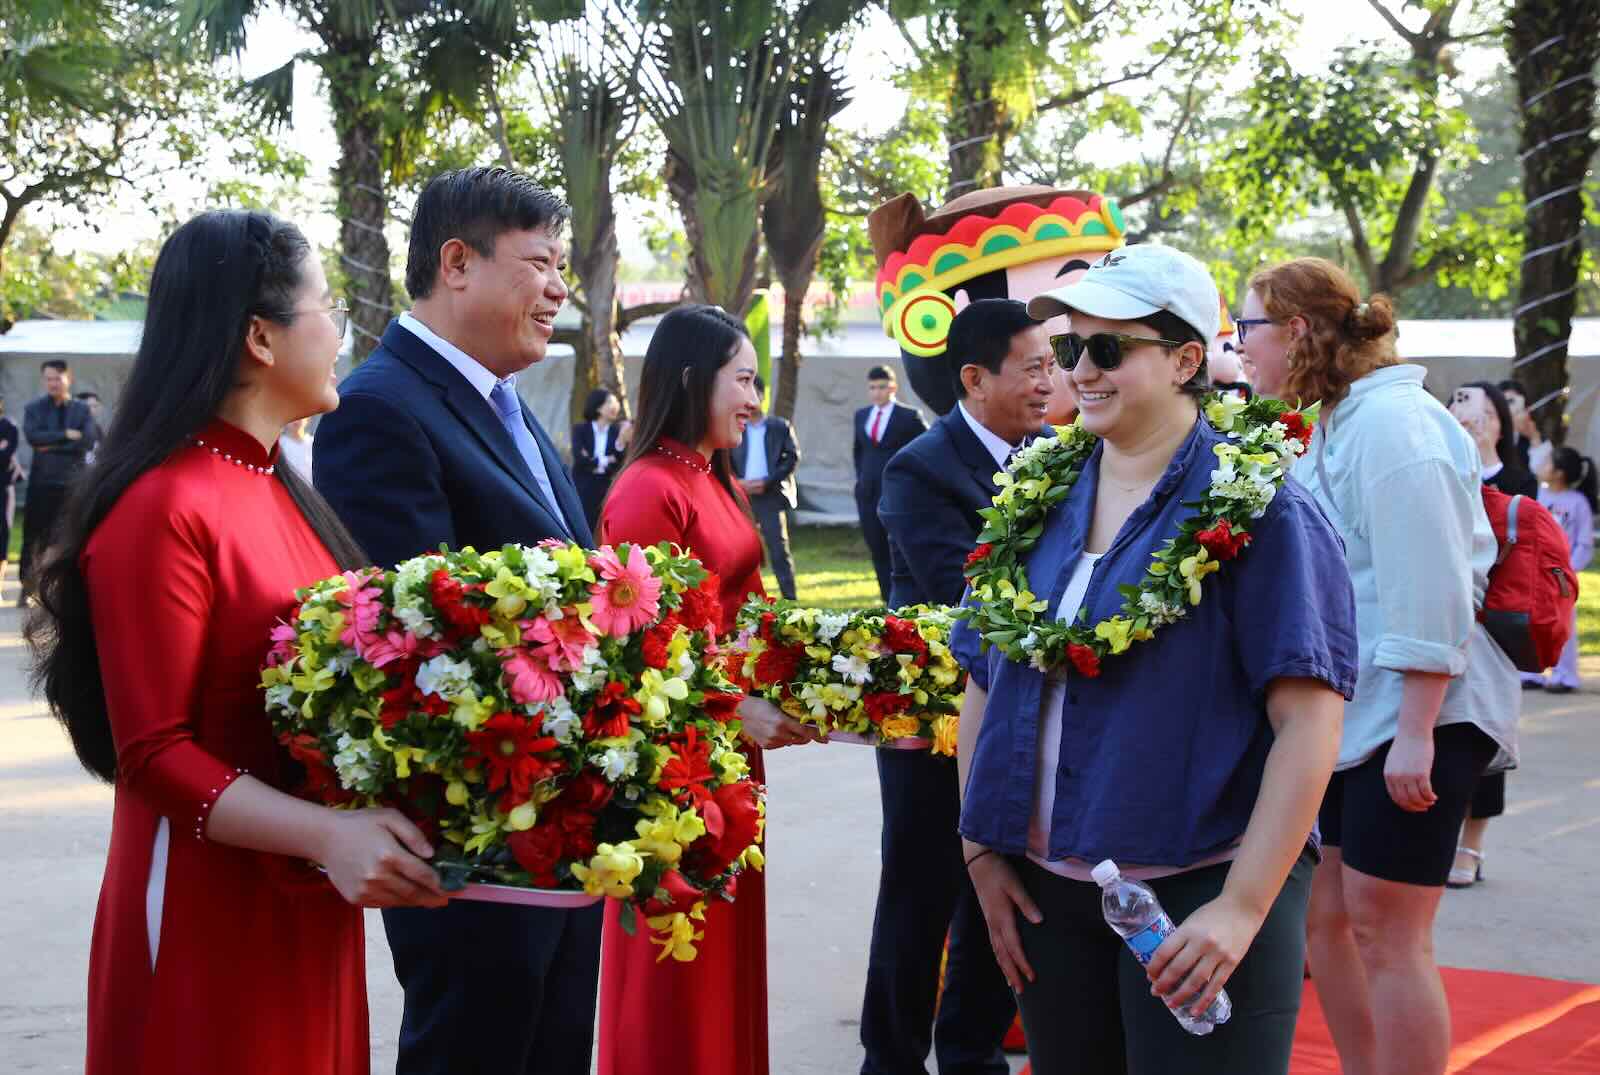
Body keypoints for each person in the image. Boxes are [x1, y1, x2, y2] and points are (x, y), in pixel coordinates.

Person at [23, 209, 447, 1075]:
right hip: (202, 908)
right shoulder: (164, 505)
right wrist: (329, 837)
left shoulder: (283, 487)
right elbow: (154, 752)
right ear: (260, 335)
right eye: (327, 307)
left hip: (302, 896)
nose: (342, 333)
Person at [949, 245, 1356, 1075]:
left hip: (1199, 889)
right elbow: (982, 680)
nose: (1081, 371)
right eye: (1070, 349)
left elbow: (1309, 722)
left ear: (1184, 359)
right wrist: (982, 851)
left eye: (1108, 348)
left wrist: (1241, 907)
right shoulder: (1036, 497)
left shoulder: (1265, 511)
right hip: (1047, 891)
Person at [313, 167, 600, 1075]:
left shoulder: (507, 402)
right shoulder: (381, 408)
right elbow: (417, 643)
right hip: (476, 838)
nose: (559, 289)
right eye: (542, 263)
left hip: (560, 819)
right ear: (457, 263)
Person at [1243, 257, 1518, 1075]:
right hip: (1358, 715)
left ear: (1296, 333)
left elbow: (1434, 590)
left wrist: (1415, 733)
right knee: (1328, 922)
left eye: (1247, 329)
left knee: (1389, 933)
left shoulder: (1397, 426)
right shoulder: (1337, 420)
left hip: (1423, 715)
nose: (1240, 348)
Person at [596, 304, 822, 1075]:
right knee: (677, 958)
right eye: (745, 378)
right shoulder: (649, 488)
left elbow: (745, 610)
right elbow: (639, 649)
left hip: (729, 752)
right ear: (693, 378)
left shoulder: (712, 475)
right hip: (677, 763)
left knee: (724, 948)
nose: (756, 398)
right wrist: (732, 705)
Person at [865, 298, 1054, 1075]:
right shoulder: (920, 467)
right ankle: (894, 1059)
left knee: (1006, 894)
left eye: (1054, 363)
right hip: (931, 726)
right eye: (1035, 366)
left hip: (1020, 720)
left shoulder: (1055, 452)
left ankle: (973, 1054)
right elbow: (965, 591)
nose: (1053, 380)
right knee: (921, 897)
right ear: (974, 379)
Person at [1445, 381, 1539, 889]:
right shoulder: (1435, 460)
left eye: (1473, 402)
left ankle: (1472, 844)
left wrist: (1483, 451)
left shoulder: (1517, 475)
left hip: (1493, 622)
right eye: (1455, 400)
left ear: (1499, 420)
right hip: (1444, 612)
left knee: (1482, 736)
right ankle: (1442, 839)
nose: (1461, 409)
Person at [20, 360, 94, 603]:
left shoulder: (81, 410)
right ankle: (27, 585)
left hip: (72, 483)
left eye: (57, 378)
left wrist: (49, 446)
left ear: (68, 379)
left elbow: (86, 442)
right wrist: (64, 435)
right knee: (34, 535)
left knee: (70, 536)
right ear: (44, 380)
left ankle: (66, 589)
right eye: (49, 378)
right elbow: (32, 437)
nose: (53, 383)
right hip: (41, 483)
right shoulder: (34, 408)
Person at [855, 365, 926, 603]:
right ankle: (887, 599)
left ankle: (909, 598)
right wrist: (861, 483)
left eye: (881, 387)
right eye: (872, 387)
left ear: (892, 387)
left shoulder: (909, 416)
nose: (876, 392)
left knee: (902, 549)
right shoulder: (862, 416)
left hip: (898, 494)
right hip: (868, 495)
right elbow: (859, 452)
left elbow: (925, 451)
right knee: (877, 548)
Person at [732, 374, 801, 599]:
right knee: (741, 549)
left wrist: (767, 481)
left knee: (778, 549)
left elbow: (792, 457)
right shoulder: (734, 427)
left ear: (762, 396)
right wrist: (737, 483)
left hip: (770, 494)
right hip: (741, 495)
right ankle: (744, 599)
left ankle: (790, 601)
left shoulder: (779, 426)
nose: (750, 399)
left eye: (755, 393)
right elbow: (721, 459)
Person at [1539, 446, 1595, 695]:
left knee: (1563, 627)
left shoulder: (1578, 503)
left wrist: (1569, 571)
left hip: (1563, 578)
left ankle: (1566, 675)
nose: (1543, 464)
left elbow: (1584, 543)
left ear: (1559, 473)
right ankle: (1531, 672)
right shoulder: (1539, 496)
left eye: (1548, 461)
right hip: (1537, 574)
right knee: (1534, 623)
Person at [570, 387, 629, 529]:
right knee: (583, 524)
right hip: (583, 485)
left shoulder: (617, 431)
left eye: (616, 403)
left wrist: (620, 444)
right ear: (598, 407)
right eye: (610, 403)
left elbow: (620, 462)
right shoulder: (581, 430)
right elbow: (580, 459)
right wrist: (606, 459)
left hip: (607, 485)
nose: (615, 407)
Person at [1498, 379, 1553, 480]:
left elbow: (1543, 475)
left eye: (1512, 401)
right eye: (1503, 402)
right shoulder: (1488, 435)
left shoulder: (1537, 437)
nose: (1509, 409)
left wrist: (1534, 437)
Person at [0, 396, 21, 578]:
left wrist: (4, 450)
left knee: (2, 533)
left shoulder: (9, 427)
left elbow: (6, 454)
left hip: (4, 487)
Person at [278, 416, 316, 480]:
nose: (296, 420)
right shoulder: (280, 445)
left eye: (300, 416)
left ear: (308, 419)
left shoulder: (314, 443)